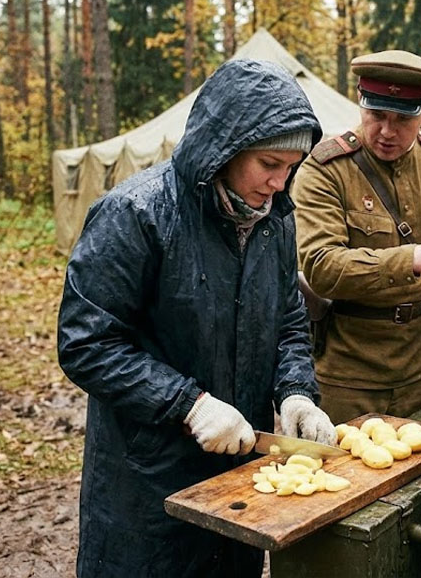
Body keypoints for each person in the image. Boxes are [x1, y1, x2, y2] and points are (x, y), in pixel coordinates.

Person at [57, 59, 337, 578]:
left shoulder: (274, 221)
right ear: (224, 149)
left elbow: (289, 319)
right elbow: (86, 342)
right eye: (269, 163)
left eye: (292, 167)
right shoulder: (135, 215)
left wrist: (296, 389)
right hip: (148, 480)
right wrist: (189, 404)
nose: (280, 182)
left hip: (237, 475)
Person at [291, 50, 421, 424]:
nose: (386, 131)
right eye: (376, 115)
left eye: (402, 119)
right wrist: (413, 258)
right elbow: (320, 267)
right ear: (360, 102)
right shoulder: (325, 169)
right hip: (348, 376)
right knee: (348, 479)